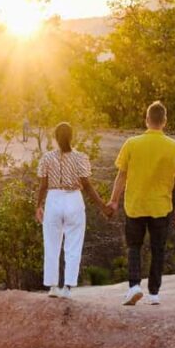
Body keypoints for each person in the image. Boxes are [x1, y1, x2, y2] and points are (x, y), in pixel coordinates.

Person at [106, 101, 175, 306]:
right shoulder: (174, 146)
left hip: (135, 205)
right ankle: (154, 294)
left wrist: (114, 201)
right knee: (158, 248)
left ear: (147, 120)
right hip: (161, 207)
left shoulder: (131, 144)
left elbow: (121, 176)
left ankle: (134, 286)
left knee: (134, 246)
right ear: (164, 121)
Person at [36, 122, 111, 299]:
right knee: (73, 245)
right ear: (72, 137)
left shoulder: (47, 158)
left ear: (55, 137)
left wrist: (38, 205)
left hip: (53, 199)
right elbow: (87, 185)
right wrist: (102, 206)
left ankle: (53, 287)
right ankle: (68, 288)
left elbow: (43, 185)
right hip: (74, 199)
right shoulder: (80, 157)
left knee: (51, 244)